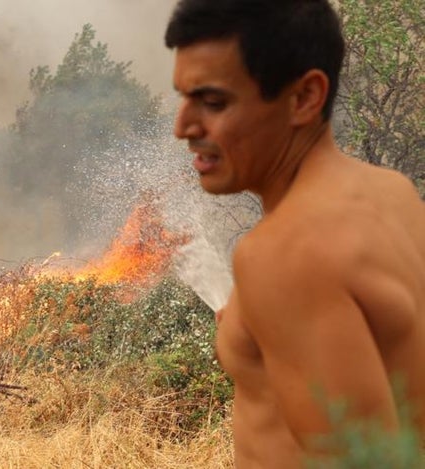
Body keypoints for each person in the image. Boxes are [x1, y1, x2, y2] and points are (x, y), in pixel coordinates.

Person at [164, 0, 425, 466]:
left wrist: (276, 286)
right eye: (183, 97)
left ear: (305, 97)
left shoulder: (287, 254)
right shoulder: (393, 194)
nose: (182, 126)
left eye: (214, 102)